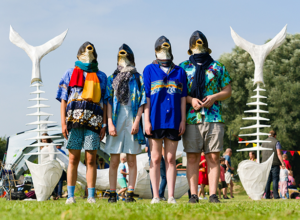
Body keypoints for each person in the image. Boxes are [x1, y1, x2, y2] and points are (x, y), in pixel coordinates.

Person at [179, 30, 232, 203]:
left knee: (213, 157)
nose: (198, 43)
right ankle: (194, 195)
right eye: (194, 42)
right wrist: (191, 100)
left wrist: (214, 97)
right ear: (190, 47)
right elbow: (179, 93)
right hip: (192, 118)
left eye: (201, 41)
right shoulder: (182, 67)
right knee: (192, 156)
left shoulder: (218, 67)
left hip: (214, 118)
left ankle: (213, 194)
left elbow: (228, 91)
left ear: (207, 46)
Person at [56, 42, 107, 204]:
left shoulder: (101, 76)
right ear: (78, 55)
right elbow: (63, 100)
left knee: (91, 160)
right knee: (73, 159)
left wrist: (104, 124)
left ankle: (91, 196)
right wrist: (63, 123)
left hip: (94, 122)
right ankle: (70, 196)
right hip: (74, 121)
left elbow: (105, 102)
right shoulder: (70, 73)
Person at [144, 36, 187, 204]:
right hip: (155, 119)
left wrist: (183, 120)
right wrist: (146, 121)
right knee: (155, 158)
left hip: (174, 120)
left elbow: (183, 97)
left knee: (170, 159)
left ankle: (170, 196)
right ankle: (155, 196)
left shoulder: (180, 71)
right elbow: (146, 97)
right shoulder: (149, 70)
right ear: (155, 51)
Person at [105, 44, 146, 203]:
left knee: (131, 159)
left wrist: (137, 121)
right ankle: (113, 193)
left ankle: (130, 192)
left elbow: (143, 100)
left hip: (132, 118)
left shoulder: (138, 77)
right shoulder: (111, 78)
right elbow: (108, 101)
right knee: (114, 160)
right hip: (115, 118)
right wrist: (109, 122)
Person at [262, 130, 286, 199]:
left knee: (268, 180)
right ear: (275, 136)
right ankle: (276, 196)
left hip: (265, 163)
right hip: (274, 163)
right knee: (275, 179)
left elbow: (263, 153)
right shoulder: (276, 142)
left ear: (268, 135)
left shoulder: (264, 142)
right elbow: (278, 153)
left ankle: (267, 196)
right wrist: (282, 163)